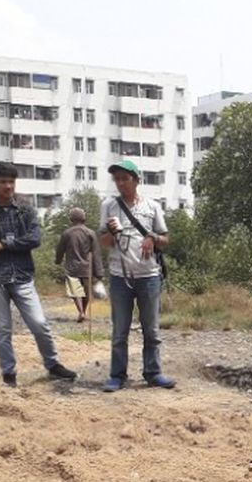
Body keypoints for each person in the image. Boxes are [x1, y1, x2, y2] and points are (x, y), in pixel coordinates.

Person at [0, 162, 77, 387]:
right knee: (2, 329)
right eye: (3, 182)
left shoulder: (25, 209)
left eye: (11, 181)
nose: (8, 186)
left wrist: (5, 245)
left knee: (39, 323)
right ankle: (9, 374)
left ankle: (52, 365)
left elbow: (34, 239)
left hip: (22, 276)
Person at [99, 159, 175, 392]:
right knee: (120, 330)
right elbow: (103, 242)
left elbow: (166, 240)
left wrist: (152, 237)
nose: (121, 183)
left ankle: (153, 373)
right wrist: (110, 232)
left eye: (125, 178)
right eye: (117, 179)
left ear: (136, 180)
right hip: (119, 276)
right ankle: (117, 375)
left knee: (151, 330)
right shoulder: (108, 206)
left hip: (149, 276)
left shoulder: (152, 206)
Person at [55, 207, 104, 322]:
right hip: (87, 268)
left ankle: (80, 312)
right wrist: (99, 272)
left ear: (71, 219)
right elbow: (96, 253)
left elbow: (60, 250)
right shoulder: (90, 233)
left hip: (72, 267)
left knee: (75, 291)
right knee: (86, 292)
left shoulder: (67, 233)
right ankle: (84, 312)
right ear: (84, 218)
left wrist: (58, 260)